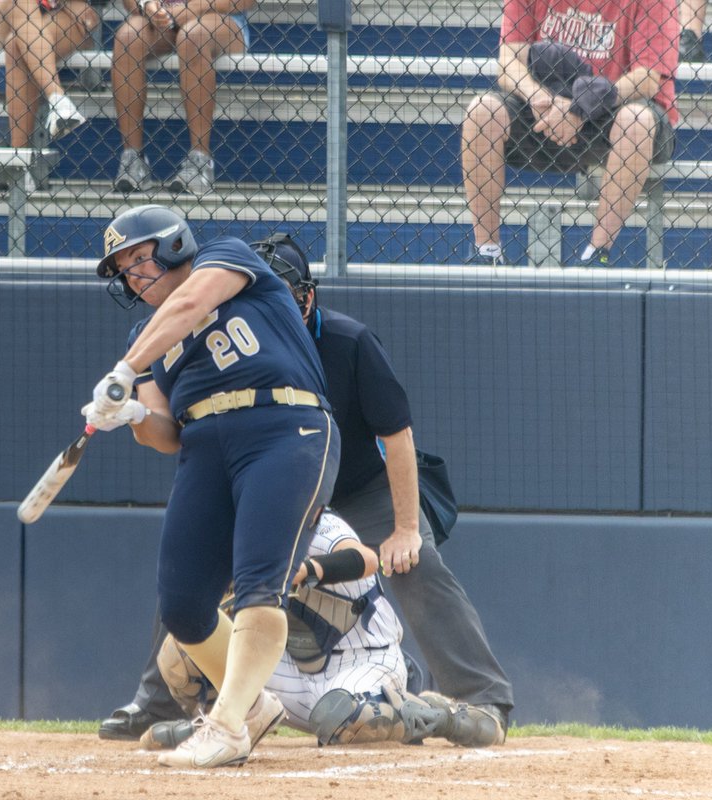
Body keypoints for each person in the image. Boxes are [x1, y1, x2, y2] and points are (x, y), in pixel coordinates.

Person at [98, 233, 513, 745]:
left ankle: (482, 698)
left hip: (358, 485)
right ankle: (170, 702)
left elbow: (397, 435)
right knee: (195, 574)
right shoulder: (215, 338)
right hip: (269, 474)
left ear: (306, 297)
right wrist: (137, 410)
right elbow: (175, 425)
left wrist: (406, 527)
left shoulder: (347, 340)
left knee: (417, 563)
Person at [84, 204, 339, 768]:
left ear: (174, 246)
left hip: (283, 427)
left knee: (259, 584)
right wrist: (127, 415)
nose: (131, 276)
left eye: (137, 259)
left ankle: (225, 726)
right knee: (183, 604)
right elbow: (166, 433)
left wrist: (123, 370)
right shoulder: (146, 339)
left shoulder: (227, 255)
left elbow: (192, 302)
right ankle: (251, 708)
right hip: (204, 447)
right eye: (122, 269)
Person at [140, 510, 507, 750]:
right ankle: (226, 725)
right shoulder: (233, 535)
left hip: (362, 659)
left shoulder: (316, 521)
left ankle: (440, 714)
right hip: (290, 671)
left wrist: (305, 571)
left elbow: (366, 559)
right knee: (182, 652)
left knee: (344, 719)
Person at [461, 0, 679, 267]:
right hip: (546, 109)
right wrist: (538, 98)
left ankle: (597, 255)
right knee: (482, 111)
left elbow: (646, 78)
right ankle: (487, 251)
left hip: (614, 107)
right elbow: (508, 63)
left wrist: (581, 107)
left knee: (637, 119)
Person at [110, 0, 254, 195]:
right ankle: (133, 160)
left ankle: (200, 161)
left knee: (192, 36)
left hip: (220, 18)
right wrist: (147, 6)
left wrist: (195, 8)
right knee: (127, 38)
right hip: (163, 17)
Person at [0, 0, 93, 149]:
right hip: (8, 15)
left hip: (64, 14)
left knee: (15, 45)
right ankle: (58, 99)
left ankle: (20, 161)